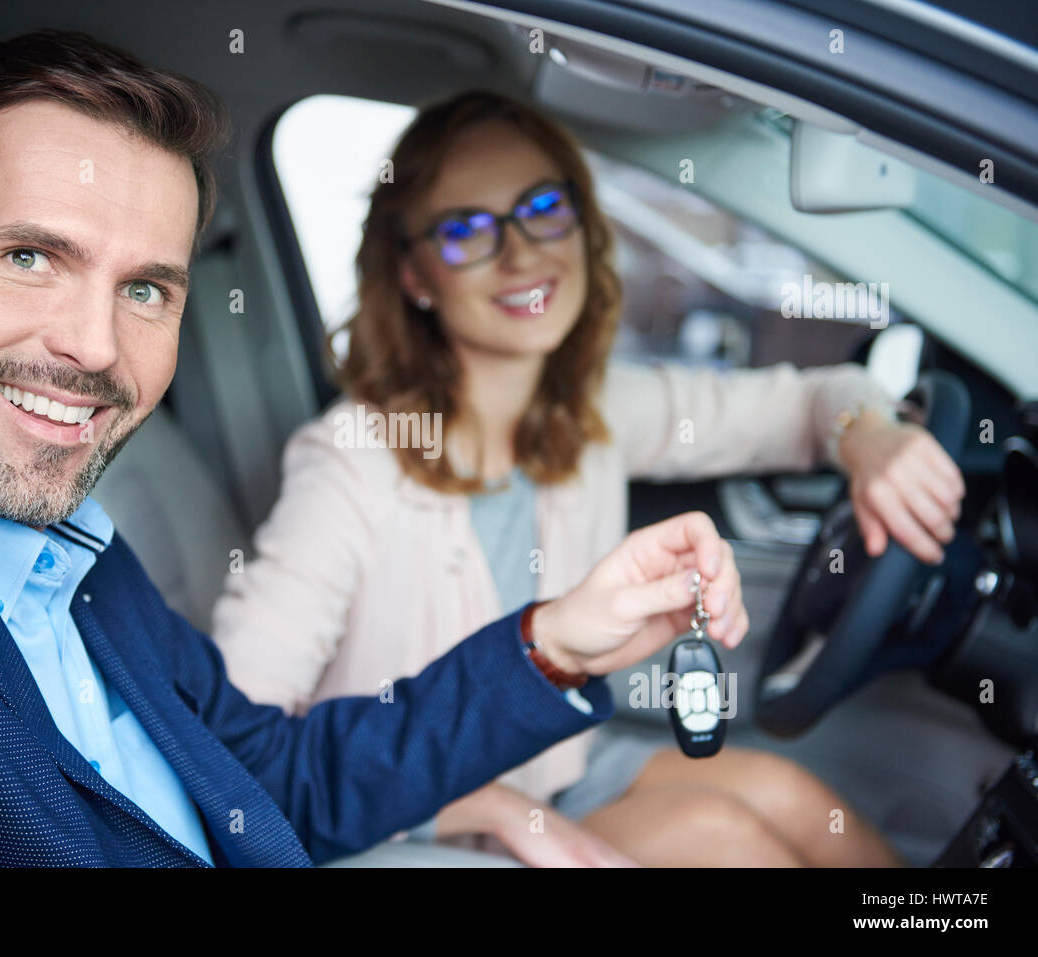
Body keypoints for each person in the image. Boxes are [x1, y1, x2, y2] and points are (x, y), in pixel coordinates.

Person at [0, 30, 749, 867]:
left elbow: (273, 778)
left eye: (145, 289)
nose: (92, 345)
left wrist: (553, 642)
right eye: (29, 258)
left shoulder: (81, 553)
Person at [212, 91, 966, 867]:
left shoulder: (591, 410)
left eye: (544, 206)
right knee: (728, 842)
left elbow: (808, 402)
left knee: (796, 797)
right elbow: (230, 744)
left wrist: (868, 434)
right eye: (467, 229)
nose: (521, 252)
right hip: (409, 812)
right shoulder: (352, 458)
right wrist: (487, 805)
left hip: (563, 769)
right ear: (414, 275)